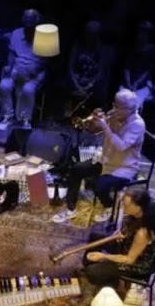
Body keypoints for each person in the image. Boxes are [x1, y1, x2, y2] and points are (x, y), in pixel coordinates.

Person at [52, 89, 146, 225]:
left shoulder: (137, 125)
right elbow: (94, 130)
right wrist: (95, 120)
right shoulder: (115, 115)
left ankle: (109, 205)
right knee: (76, 169)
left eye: (118, 107)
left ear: (129, 109)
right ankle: (71, 208)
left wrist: (105, 127)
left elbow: (121, 146)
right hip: (106, 160)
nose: (114, 109)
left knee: (97, 185)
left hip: (124, 168)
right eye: (114, 105)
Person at [81, 186, 155, 294]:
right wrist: (121, 232)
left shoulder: (143, 232)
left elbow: (129, 260)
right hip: (129, 245)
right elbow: (130, 226)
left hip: (136, 264)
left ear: (138, 207)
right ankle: (89, 264)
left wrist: (103, 256)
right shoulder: (144, 211)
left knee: (92, 272)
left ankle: (112, 284)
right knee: (95, 236)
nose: (122, 206)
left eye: (126, 205)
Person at [0, 9, 49, 131]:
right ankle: (8, 116)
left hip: (35, 69)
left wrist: (33, 70)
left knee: (28, 89)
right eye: (26, 21)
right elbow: (11, 53)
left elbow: (46, 61)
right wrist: (9, 66)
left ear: (37, 22)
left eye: (30, 22)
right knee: (4, 85)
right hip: (17, 67)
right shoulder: (16, 33)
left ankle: (26, 119)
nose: (28, 24)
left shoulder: (44, 36)